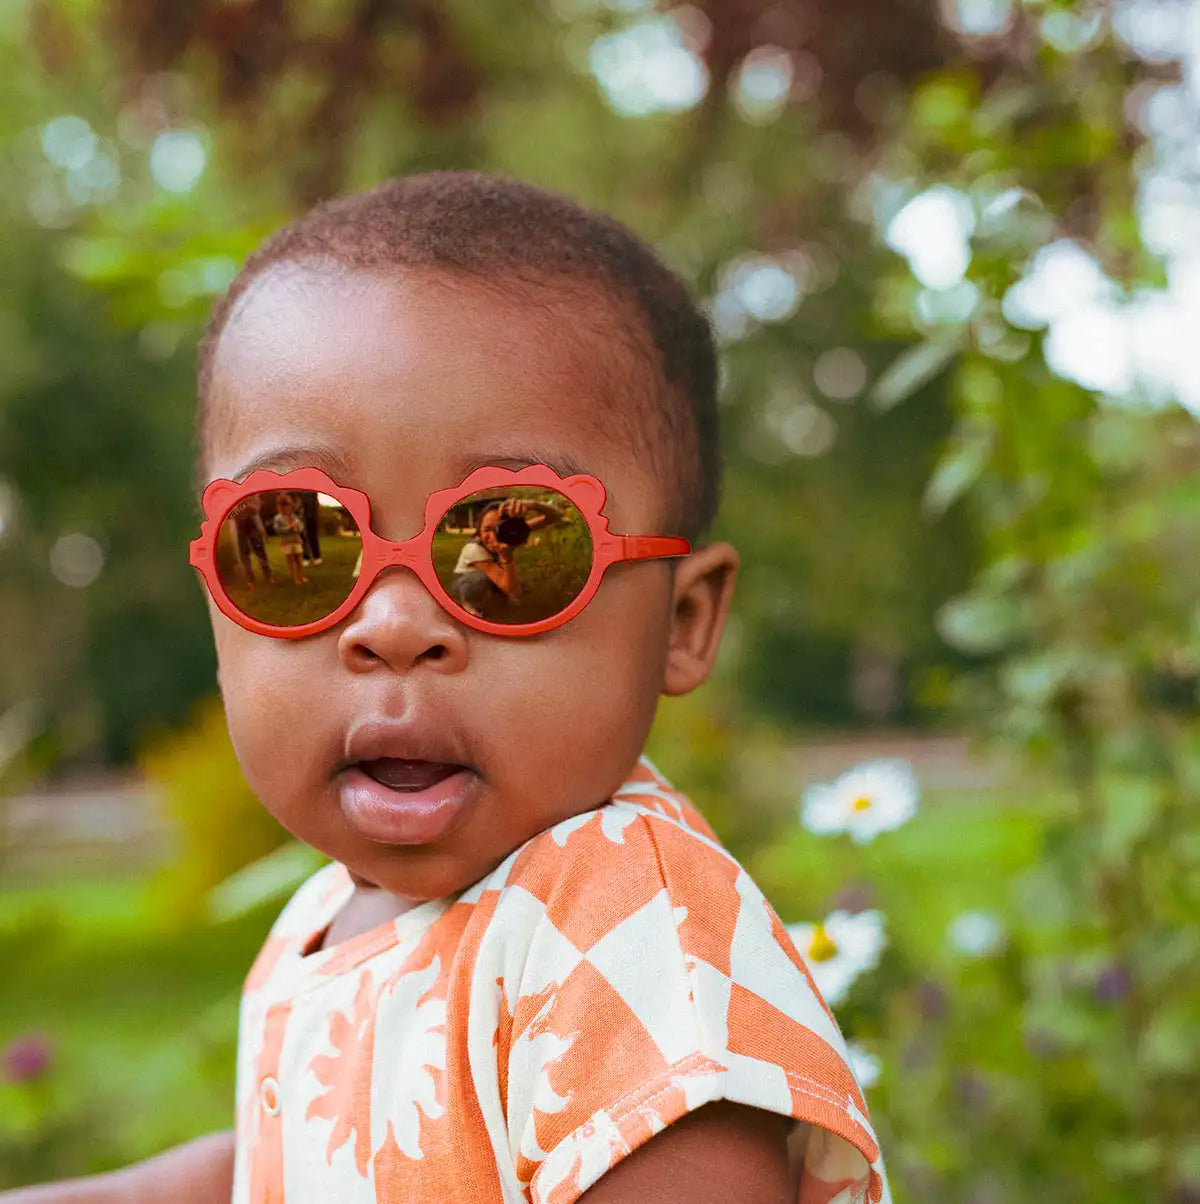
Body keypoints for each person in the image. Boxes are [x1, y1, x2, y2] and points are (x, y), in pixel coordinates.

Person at [5, 174, 890, 1203]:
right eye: (293, 543)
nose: (392, 626)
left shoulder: (631, 932)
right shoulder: (333, 909)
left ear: (682, 622)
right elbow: (294, 1170)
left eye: (512, 543)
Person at [450, 496, 562, 617]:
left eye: (500, 528)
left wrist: (533, 504)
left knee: (520, 585)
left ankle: (499, 593)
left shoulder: (511, 532)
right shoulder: (473, 549)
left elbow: (556, 516)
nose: (494, 536)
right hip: (465, 581)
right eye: (487, 529)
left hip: (493, 572)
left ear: (510, 527)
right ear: (479, 532)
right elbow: (514, 592)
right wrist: (506, 557)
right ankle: (469, 603)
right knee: (482, 578)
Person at [230, 492, 275, 587]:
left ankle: (268, 575)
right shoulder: (230, 493)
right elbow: (229, 513)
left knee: (260, 551)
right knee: (244, 553)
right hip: (239, 527)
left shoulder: (251, 492)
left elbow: (256, 508)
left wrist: (245, 505)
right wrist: (240, 508)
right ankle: (251, 580)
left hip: (252, 524)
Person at [271, 491, 309, 585]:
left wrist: (298, 527)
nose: (285, 508)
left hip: (296, 540)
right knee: (291, 560)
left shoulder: (293, 516)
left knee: (299, 560)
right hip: (286, 542)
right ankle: (295, 577)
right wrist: (288, 528)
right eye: (283, 506)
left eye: (287, 505)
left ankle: (301, 576)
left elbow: (300, 526)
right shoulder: (278, 518)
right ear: (279, 507)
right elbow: (277, 530)